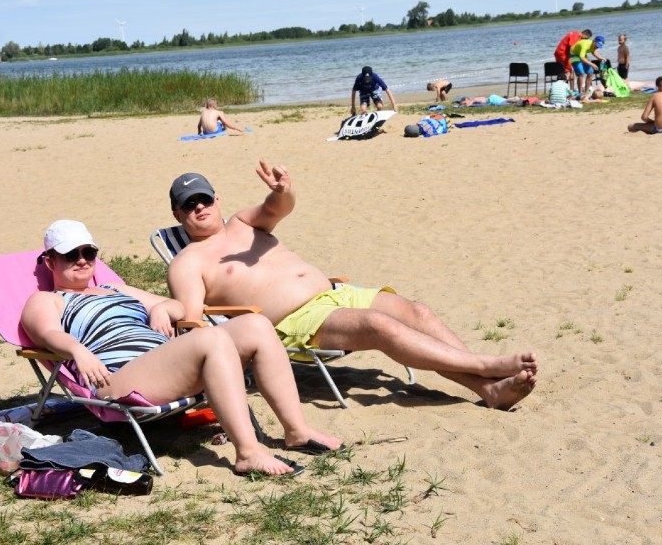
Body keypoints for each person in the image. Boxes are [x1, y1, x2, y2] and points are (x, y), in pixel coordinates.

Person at [165, 165, 539, 411]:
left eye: (205, 198)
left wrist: (284, 190)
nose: (200, 207)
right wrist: (165, 312)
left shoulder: (244, 222)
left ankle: (488, 391)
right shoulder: (188, 263)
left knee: (417, 312)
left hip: (336, 293)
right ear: (178, 215)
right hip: (296, 323)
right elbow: (195, 323)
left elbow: (278, 207)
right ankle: (488, 367)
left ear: (218, 199)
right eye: (189, 204)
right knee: (380, 326)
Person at [21, 219, 341, 477]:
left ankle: (296, 430)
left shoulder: (112, 288)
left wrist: (162, 310)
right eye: (70, 254)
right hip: (116, 378)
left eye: (88, 253)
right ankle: (248, 452)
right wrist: (78, 351)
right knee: (211, 338)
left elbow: (174, 306)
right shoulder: (47, 300)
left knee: (256, 325)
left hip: (164, 365)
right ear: (50, 260)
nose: (81, 260)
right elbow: (46, 331)